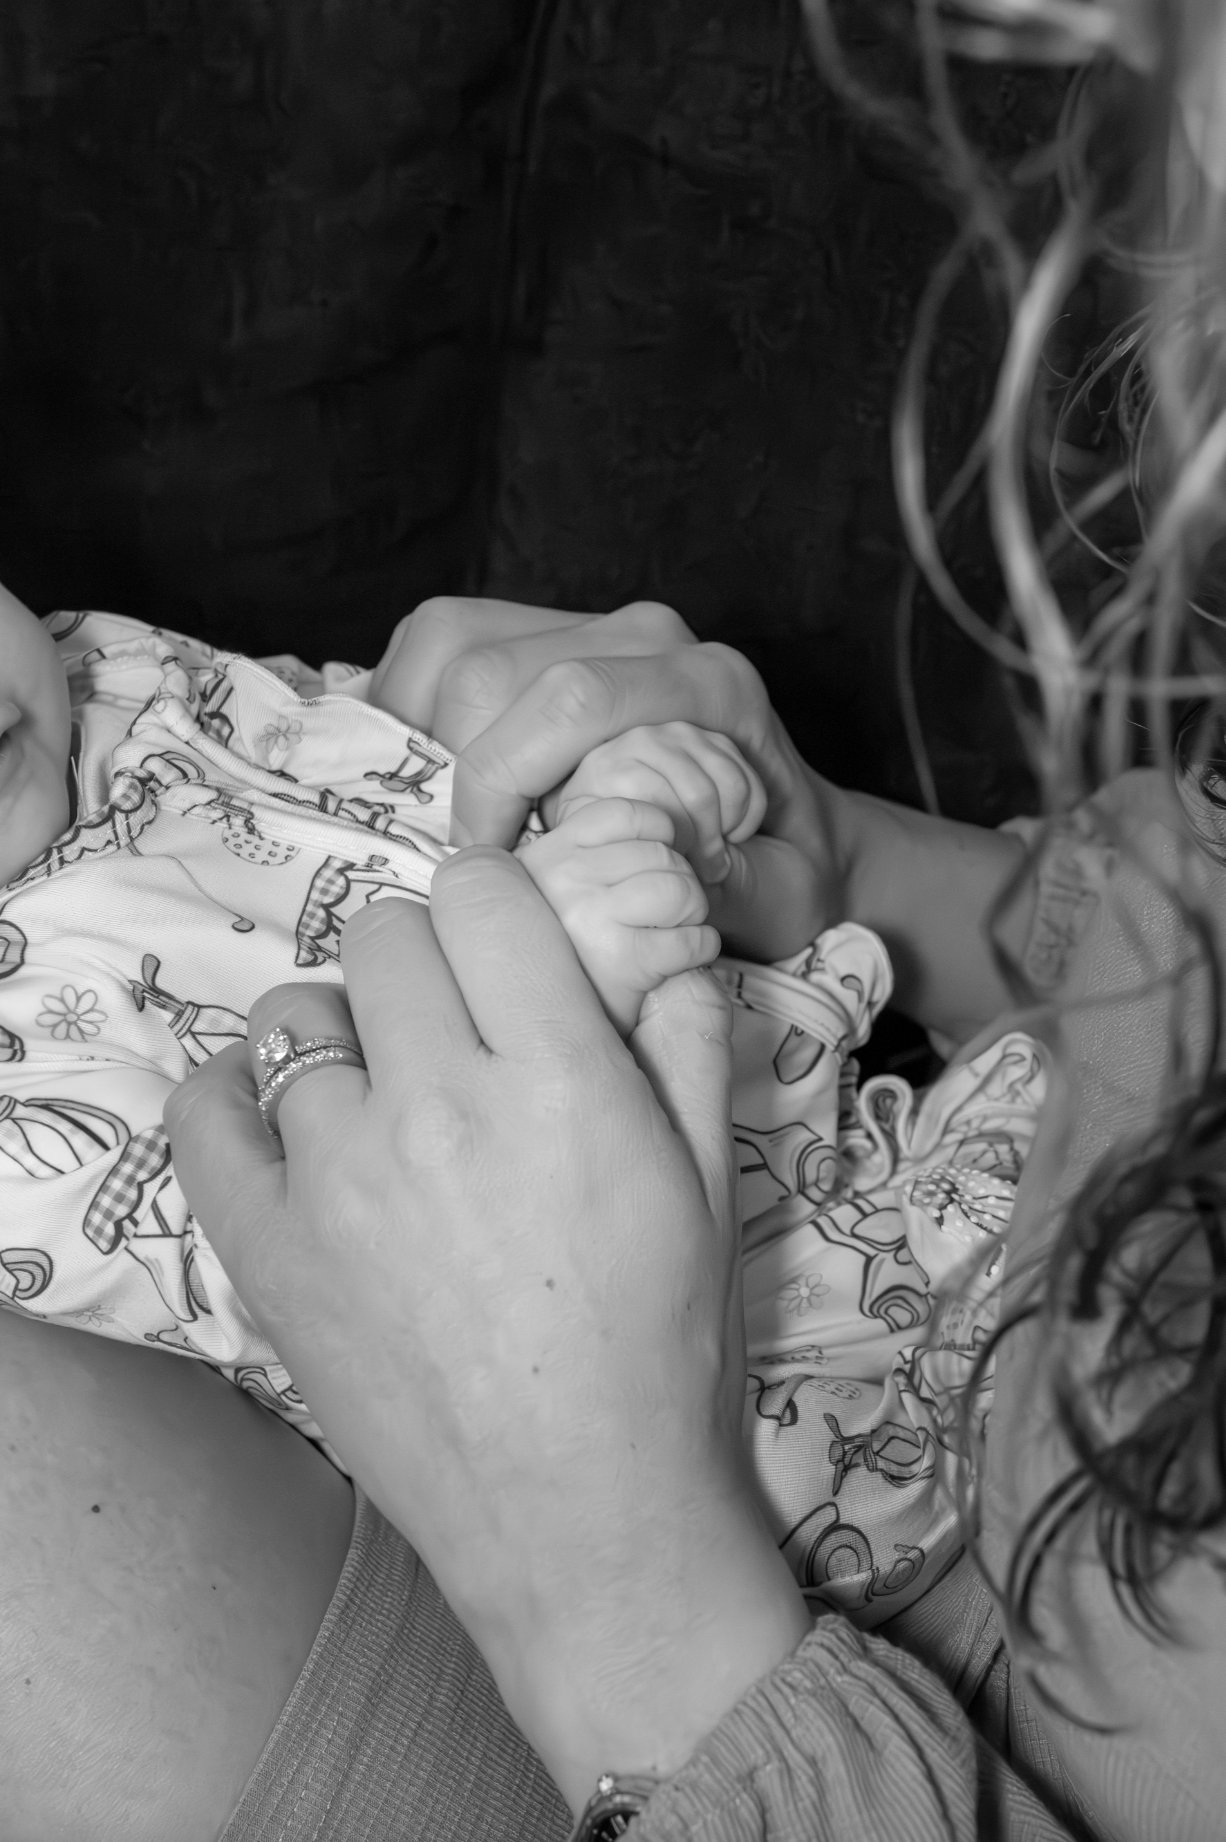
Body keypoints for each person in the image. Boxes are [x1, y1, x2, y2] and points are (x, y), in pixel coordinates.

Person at [0, 582, 1045, 1626]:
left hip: (799, 1130)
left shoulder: (106, 666)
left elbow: (379, 770)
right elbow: (268, 1264)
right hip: (647, 1396)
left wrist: (605, 795)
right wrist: (553, 958)